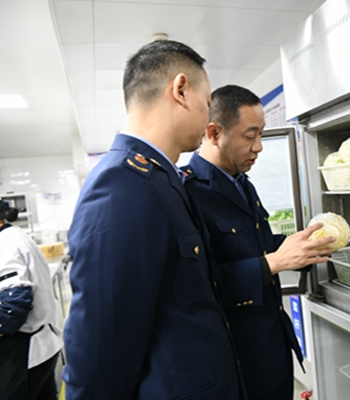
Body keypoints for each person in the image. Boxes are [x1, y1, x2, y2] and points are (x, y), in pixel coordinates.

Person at [63, 40, 247, 400]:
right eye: (207, 102)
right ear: (180, 90)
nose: (209, 115)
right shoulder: (123, 185)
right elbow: (101, 344)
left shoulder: (160, 178)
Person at [182, 85, 335, 400]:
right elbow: (201, 285)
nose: (259, 147)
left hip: (272, 346)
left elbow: (259, 245)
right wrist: (277, 262)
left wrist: (307, 243)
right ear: (213, 133)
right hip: (236, 360)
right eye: (249, 136)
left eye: (262, 135)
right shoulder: (189, 193)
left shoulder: (242, 183)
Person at [0, 199, 63, 400]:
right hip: (40, 347)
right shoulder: (15, 235)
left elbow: (12, 307)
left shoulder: (4, 244)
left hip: (22, 352)